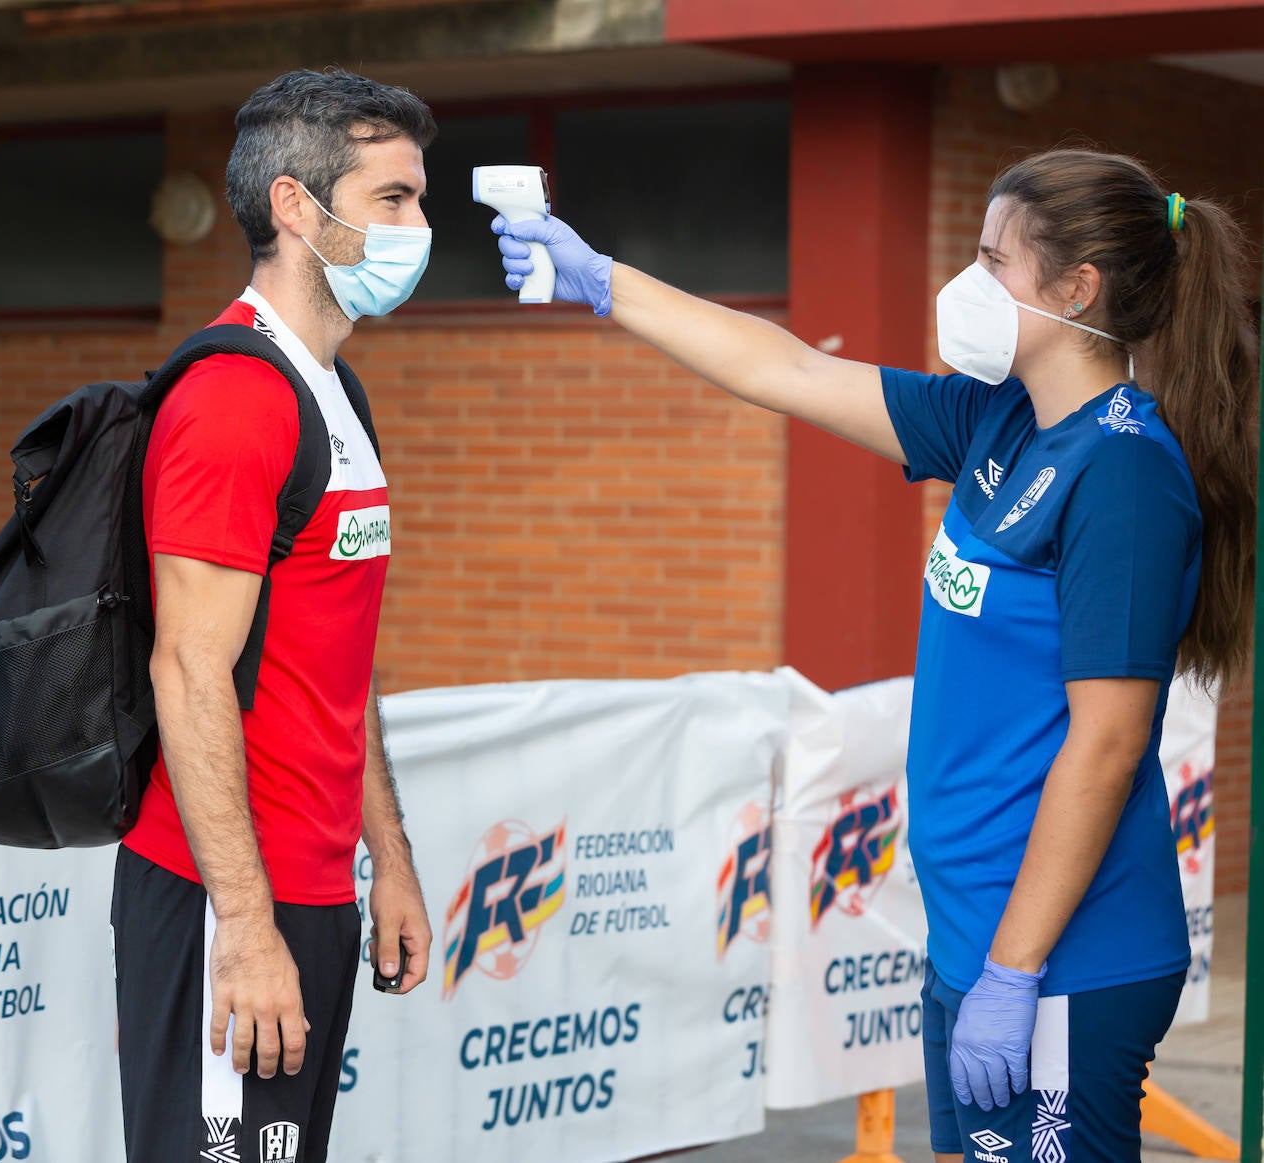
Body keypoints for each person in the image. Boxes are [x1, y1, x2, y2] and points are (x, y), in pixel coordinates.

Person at [490, 149, 1258, 1163]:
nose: (968, 283)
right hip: (976, 937)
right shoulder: (1002, 418)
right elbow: (792, 368)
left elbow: (1110, 744)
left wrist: (1017, 969)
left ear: (1079, 289)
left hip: (1062, 957)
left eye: (995, 262)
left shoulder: (1120, 471)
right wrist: (601, 281)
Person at [110, 68, 436, 1163]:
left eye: (418, 199)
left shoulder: (334, 387)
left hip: (310, 885)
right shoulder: (235, 400)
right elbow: (188, 672)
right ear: (298, 206)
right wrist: (244, 930)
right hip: (225, 900)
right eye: (392, 199)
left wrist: (385, 854)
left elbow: (338, 651)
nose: (419, 226)